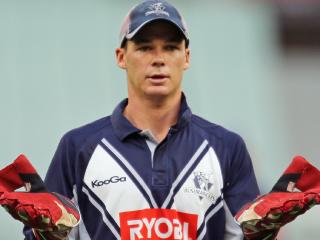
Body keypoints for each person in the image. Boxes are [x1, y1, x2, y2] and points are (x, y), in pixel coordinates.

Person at [23, 0, 260, 239]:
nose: (158, 59)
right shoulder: (78, 147)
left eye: (170, 48)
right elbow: (45, 234)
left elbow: (248, 234)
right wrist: (43, 234)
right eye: (145, 47)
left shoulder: (226, 148)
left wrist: (265, 233)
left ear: (186, 57)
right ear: (121, 57)